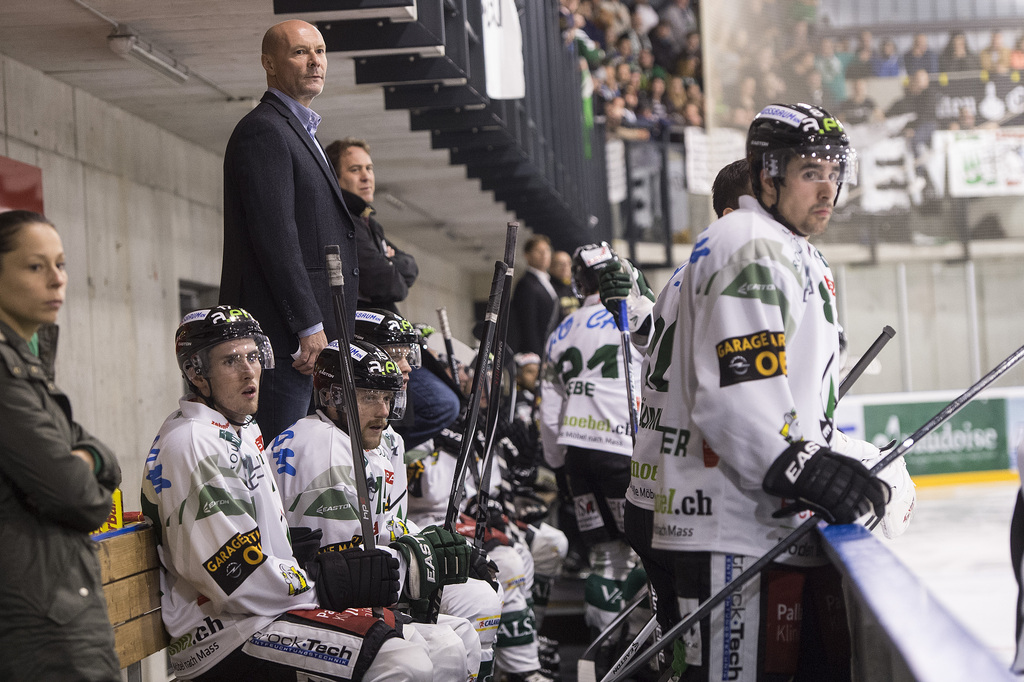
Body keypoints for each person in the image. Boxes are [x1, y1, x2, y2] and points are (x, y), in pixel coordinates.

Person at [610, 104, 916, 680]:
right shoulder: (747, 239)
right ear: (767, 174)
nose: (827, 188)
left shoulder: (780, 244)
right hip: (733, 526)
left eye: (834, 171)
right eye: (809, 172)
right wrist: (804, 466)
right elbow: (737, 391)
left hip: (756, 518)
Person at [141, 307, 440, 681]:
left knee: (439, 648)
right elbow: (238, 580)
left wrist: (301, 561)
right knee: (402, 662)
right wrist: (322, 584)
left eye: (253, 356)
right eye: (230, 360)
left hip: (260, 613)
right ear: (195, 372)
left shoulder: (237, 429)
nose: (249, 370)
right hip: (223, 634)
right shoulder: (194, 444)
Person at [268, 338, 488, 681]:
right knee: (433, 649)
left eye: (387, 398)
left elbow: (379, 536)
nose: (383, 411)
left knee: (454, 643)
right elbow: (343, 575)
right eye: (369, 397)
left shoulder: (345, 440)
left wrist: (427, 546)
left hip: (325, 593)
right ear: (332, 396)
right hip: (302, 604)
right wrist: (417, 565)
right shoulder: (328, 452)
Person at [220, 20, 360, 444]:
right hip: (284, 346)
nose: (315, 61)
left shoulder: (301, 131)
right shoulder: (265, 129)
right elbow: (275, 237)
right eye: (300, 52)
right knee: (278, 470)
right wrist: (308, 327)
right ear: (269, 63)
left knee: (301, 469)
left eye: (320, 51)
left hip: (305, 343)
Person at [0, 210, 122, 681]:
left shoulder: (28, 363)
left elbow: (96, 454)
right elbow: (77, 495)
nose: (57, 280)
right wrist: (84, 463)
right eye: (36, 266)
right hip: (37, 619)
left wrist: (88, 456)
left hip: (57, 604)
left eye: (62, 264)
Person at [538, 242, 647, 636]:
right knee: (641, 554)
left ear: (578, 283)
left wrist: (558, 463)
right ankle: (636, 647)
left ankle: (605, 651)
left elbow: (548, 412)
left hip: (578, 458)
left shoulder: (561, 331)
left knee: (604, 558)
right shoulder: (629, 318)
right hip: (623, 452)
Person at [325, 138, 419, 314]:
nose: (366, 176)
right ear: (334, 177)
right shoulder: (343, 222)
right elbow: (383, 283)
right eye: (355, 170)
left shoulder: (369, 222)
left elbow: (411, 266)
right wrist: (387, 263)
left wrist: (388, 263)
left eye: (369, 168)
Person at [509, 235, 559, 356]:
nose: (544, 255)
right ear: (527, 255)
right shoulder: (526, 284)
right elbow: (528, 324)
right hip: (537, 352)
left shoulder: (550, 281)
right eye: (539, 251)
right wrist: (537, 355)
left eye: (547, 250)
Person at [549, 249, 581, 322]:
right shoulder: (549, 288)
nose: (565, 267)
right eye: (560, 264)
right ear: (551, 266)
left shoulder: (574, 288)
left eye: (568, 263)